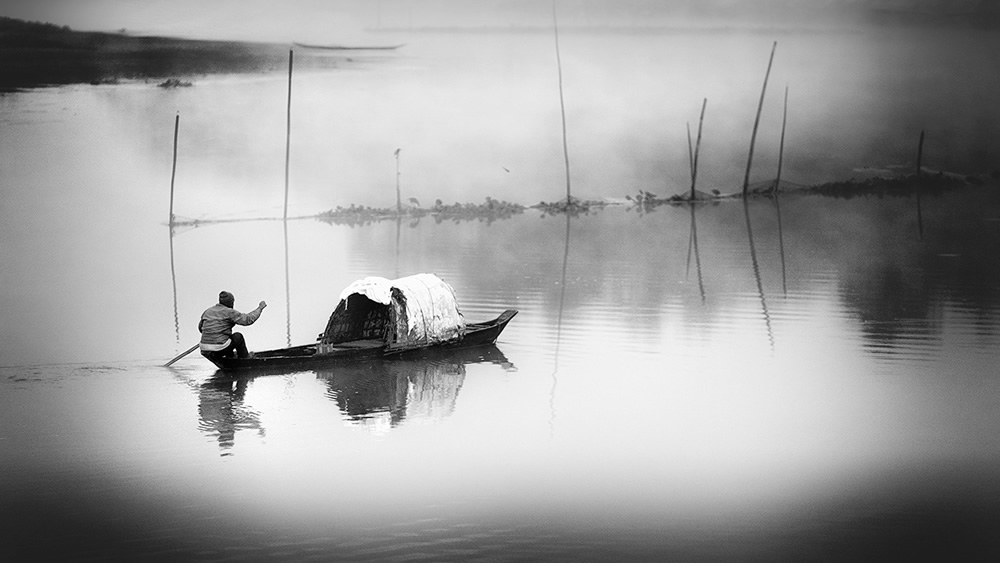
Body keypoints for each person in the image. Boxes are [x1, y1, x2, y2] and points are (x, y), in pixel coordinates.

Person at [199, 291, 267, 360]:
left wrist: (212, 334)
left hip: (204, 349)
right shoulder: (229, 312)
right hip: (219, 348)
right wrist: (260, 308)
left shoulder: (207, 312)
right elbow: (248, 320)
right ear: (230, 302)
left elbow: (200, 328)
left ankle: (230, 356)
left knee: (227, 339)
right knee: (238, 336)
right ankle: (245, 358)